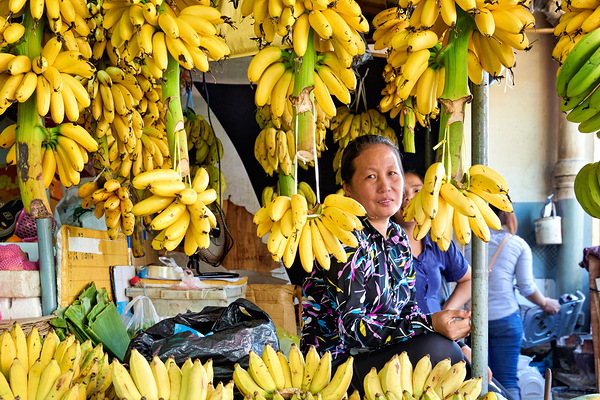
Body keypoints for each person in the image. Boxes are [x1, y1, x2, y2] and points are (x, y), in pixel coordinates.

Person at [300, 135, 472, 392]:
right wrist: (430, 324)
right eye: (371, 177)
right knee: (438, 349)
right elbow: (352, 329)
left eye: (392, 173)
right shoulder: (342, 237)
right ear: (347, 188)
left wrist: (449, 334)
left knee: (456, 354)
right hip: (337, 367)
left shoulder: (398, 237)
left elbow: (407, 310)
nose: (386, 186)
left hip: (382, 355)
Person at [466, 206, 561, 400]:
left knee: (477, 381)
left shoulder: (468, 243)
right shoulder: (517, 244)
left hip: (471, 321)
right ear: (509, 215)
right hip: (505, 321)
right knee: (507, 381)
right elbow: (526, 286)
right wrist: (545, 303)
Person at [394, 172, 472, 315]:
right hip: (401, 335)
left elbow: (469, 279)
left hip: (437, 334)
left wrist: (444, 313)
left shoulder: (438, 239)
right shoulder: (381, 246)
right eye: (401, 191)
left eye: (417, 191)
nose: (409, 197)